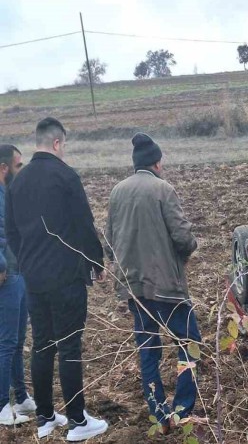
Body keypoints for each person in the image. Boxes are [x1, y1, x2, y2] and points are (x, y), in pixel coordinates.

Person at [6, 118, 108, 441]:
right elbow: (84, 223)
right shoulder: (66, 176)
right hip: (66, 278)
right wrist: (97, 262)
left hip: (33, 280)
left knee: (42, 346)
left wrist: (26, 263)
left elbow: (10, 232)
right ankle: (78, 422)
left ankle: (45, 419)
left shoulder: (17, 183)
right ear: (56, 143)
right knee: (69, 346)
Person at [106, 133, 200, 431]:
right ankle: (183, 410)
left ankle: (159, 414)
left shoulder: (117, 192)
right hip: (166, 288)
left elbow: (109, 242)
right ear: (157, 163)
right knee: (190, 343)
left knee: (147, 347)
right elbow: (183, 237)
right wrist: (185, 255)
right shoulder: (164, 190)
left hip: (134, 287)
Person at [0, 145, 36, 426]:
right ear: (3, 168)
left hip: (19, 271)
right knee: (7, 341)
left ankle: (21, 397)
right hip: (6, 275)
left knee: (18, 339)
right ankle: (2, 406)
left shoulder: (7, 193)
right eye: (18, 165)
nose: (21, 170)